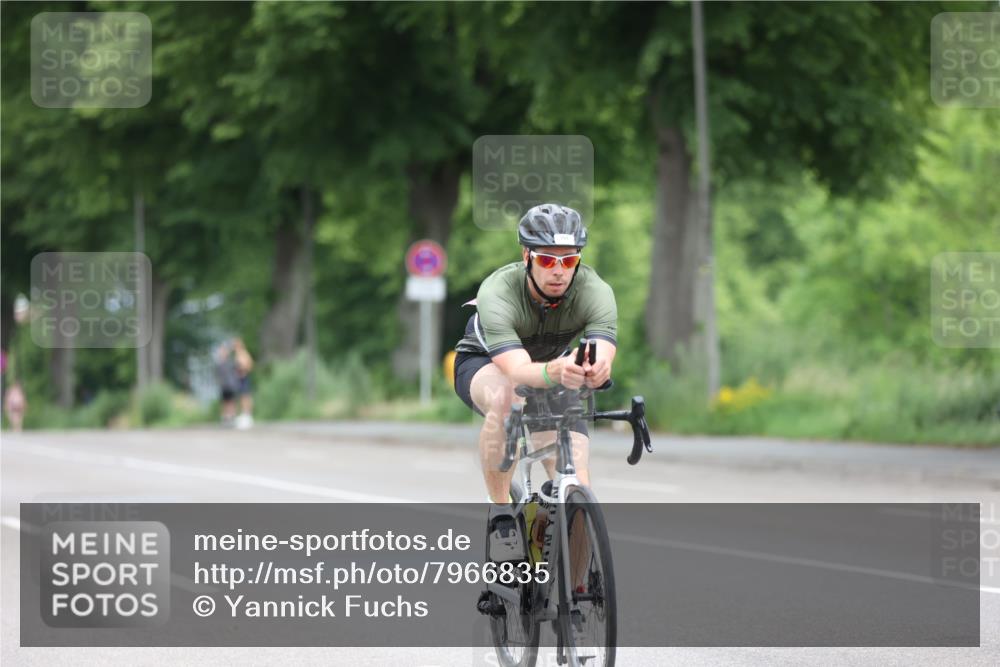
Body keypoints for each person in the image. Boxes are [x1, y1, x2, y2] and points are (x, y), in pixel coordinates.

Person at [451, 203, 617, 614]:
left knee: (577, 479)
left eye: (569, 259)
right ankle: (503, 515)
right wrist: (559, 371)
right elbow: (518, 370)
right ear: (527, 257)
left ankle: (576, 590)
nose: (558, 270)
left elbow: (604, 354)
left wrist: (595, 371)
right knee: (508, 399)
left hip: (555, 372)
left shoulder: (595, 291)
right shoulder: (498, 291)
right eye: (546, 259)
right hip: (487, 365)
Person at [215, 341, 239, 426]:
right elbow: (217, 375)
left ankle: (232, 417)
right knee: (224, 402)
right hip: (223, 385)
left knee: (232, 401)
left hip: (231, 385)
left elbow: (237, 371)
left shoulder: (231, 362)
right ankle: (225, 417)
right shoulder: (219, 363)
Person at [232, 337, 254, 429]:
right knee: (242, 396)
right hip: (239, 378)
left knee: (245, 396)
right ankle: (244, 414)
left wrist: (243, 370)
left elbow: (249, 365)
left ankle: (247, 414)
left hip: (244, 378)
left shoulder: (243, 354)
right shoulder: (237, 354)